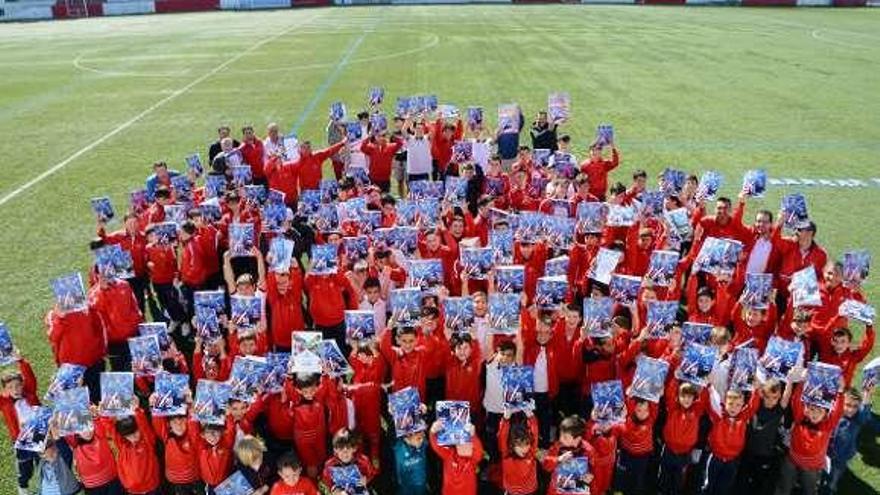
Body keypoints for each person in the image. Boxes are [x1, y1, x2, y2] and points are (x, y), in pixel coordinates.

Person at [429, 419, 483, 495]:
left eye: (466, 442)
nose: (463, 445)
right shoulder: (448, 454)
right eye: (459, 442)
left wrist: (473, 436)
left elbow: (479, 453)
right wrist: (433, 432)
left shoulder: (472, 460)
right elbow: (436, 445)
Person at [499, 410, 539, 495]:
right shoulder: (506, 453)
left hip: (529, 491)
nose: (524, 449)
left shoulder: (531, 451)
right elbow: (502, 435)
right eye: (520, 445)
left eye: (527, 444)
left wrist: (531, 416)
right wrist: (505, 419)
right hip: (511, 492)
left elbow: (534, 432)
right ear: (512, 445)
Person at [393, 429, 428, 495]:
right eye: (418, 439)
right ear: (407, 439)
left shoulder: (423, 445)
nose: (422, 440)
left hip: (421, 484)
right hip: (406, 487)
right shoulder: (399, 450)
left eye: (423, 437)